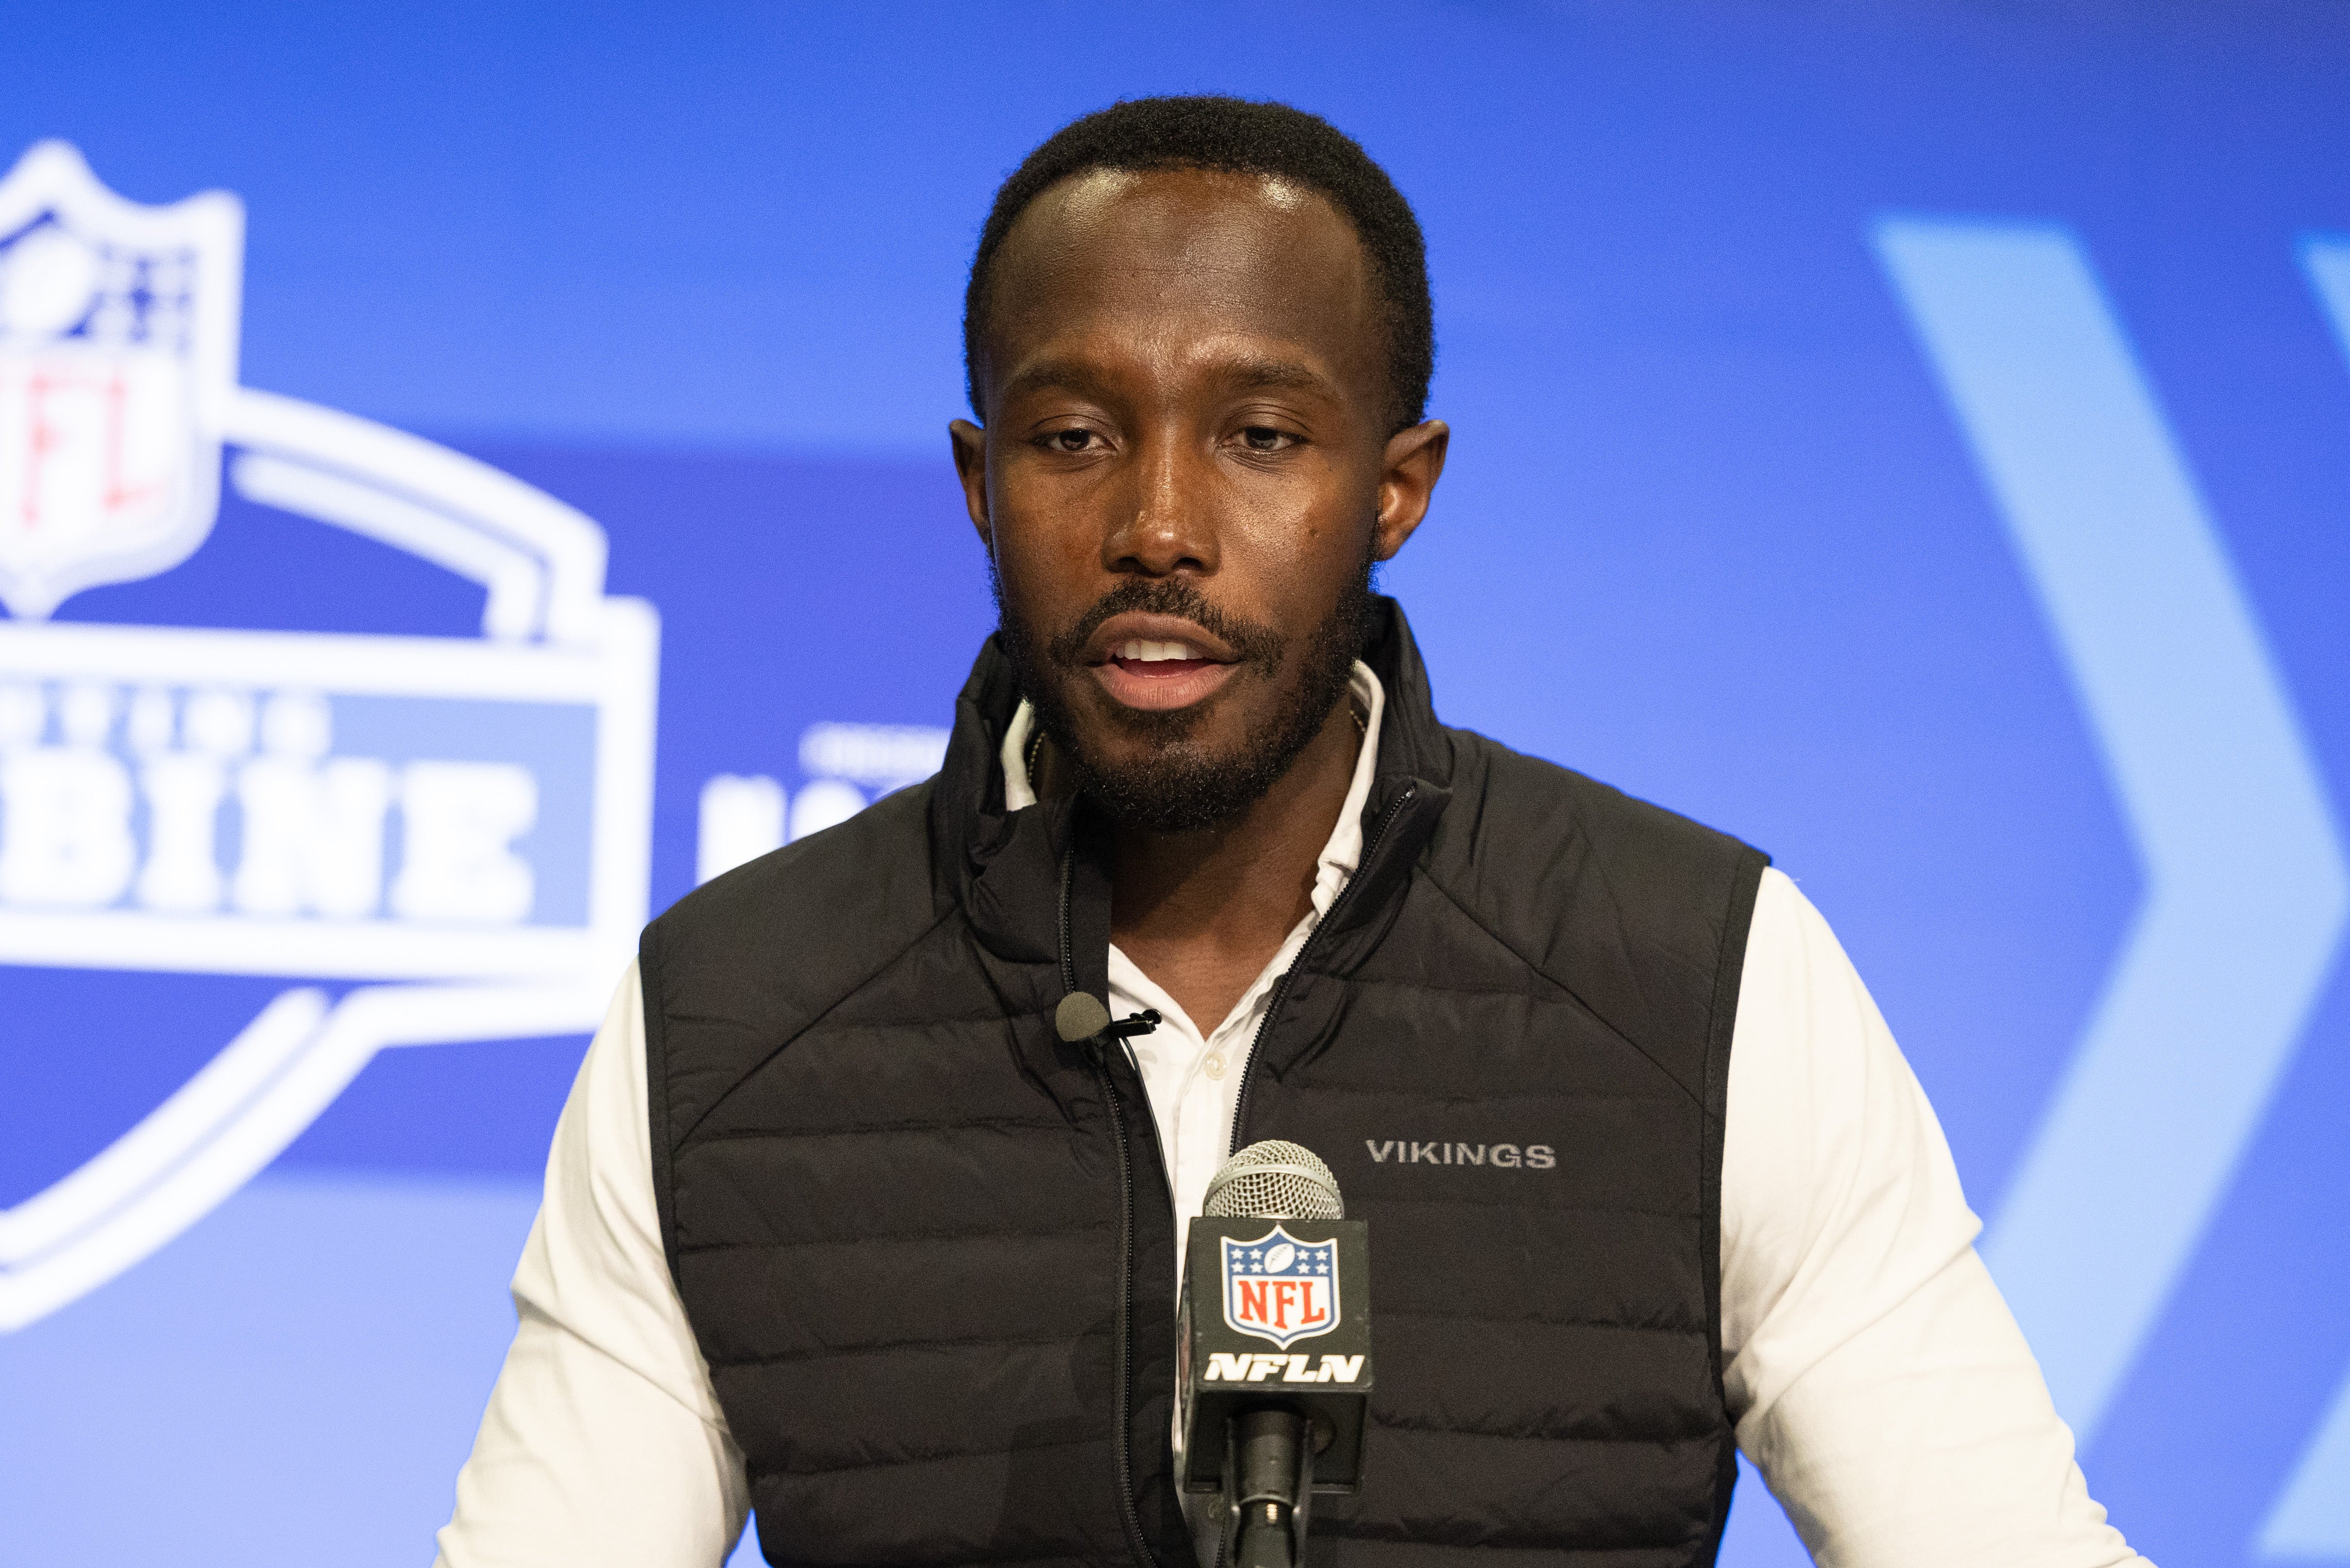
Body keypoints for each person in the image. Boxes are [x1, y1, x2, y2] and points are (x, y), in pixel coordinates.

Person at [435, 96, 2148, 1568]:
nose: (1158, 524)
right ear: (977, 481)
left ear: (1396, 487)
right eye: (1073, 437)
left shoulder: (1697, 971)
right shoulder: (733, 1008)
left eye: (1259, 436)